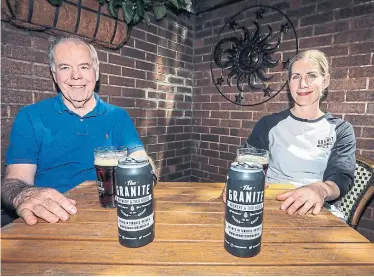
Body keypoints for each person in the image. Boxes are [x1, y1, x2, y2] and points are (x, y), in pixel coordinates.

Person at [1, 36, 157, 226]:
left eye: (84, 67)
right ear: (54, 74)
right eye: (65, 67)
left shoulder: (118, 117)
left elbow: (141, 158)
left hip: (110, 215)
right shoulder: (31, 117)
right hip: (52, 219)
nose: (76, 76)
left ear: (96, 72)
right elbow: (14, 181)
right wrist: (24, 194)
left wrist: (147, 172)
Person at [223, 50, 356, 218]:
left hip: (315, 208)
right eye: (296, 77)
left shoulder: (341, 129)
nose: (303, 84)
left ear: (326, 81)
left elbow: (341, 177)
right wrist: (238, 180)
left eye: (311, 76)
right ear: (289, 83)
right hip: (272, 203)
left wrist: (319, 190)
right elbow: (248, 163)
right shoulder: (269, 124)